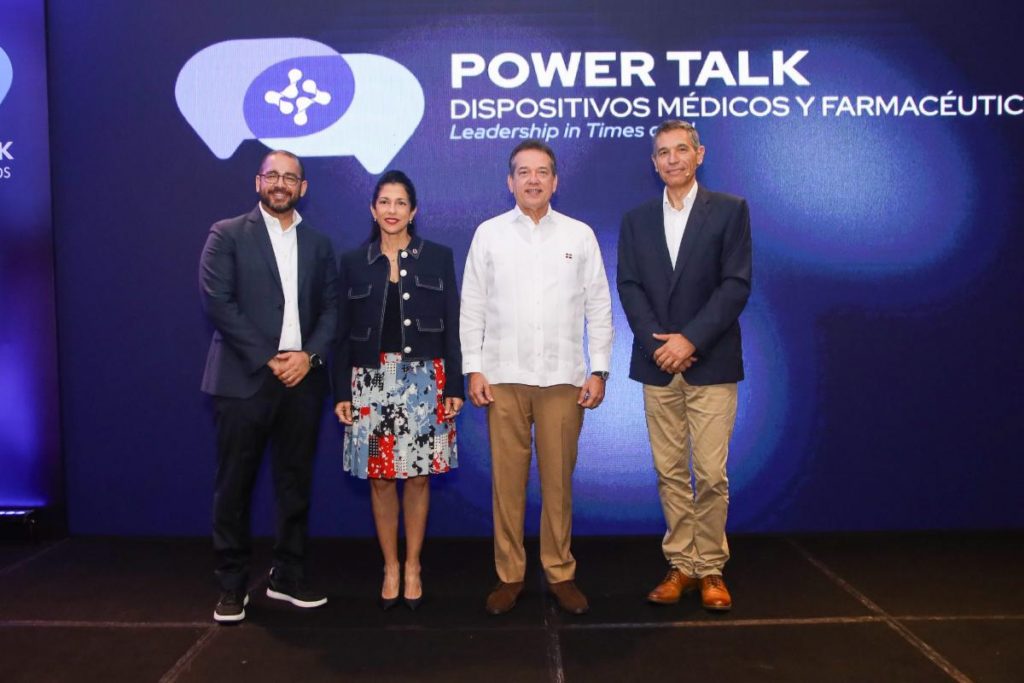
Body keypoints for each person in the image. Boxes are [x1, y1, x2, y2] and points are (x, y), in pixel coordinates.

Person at [461, 140, 613, 616]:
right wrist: (473, 366)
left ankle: (560, 572)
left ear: (555, 181)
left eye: (542, 172)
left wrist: (599, 368)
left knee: (558, 483)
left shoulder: (579, 235)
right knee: (506, 485)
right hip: (502, 376)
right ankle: (510, 575)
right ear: (510, 182)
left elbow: (599, 306)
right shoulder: (489, 234)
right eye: (523, 172)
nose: (533, 180)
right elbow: (472, 304)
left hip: (563, 379)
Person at [617, 120, 752, 612]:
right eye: (662, 152)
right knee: (670, 472)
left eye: (680, 150)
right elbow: (630, 286)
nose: (672, 159)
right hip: (658, 364)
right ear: (654, 163)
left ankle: (711, 566)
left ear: (700, 154)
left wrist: (690, 339)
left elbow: (735, 285)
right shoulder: (636, 220)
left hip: (711, 361)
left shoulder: (730, 211)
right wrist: (660, 345)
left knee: (711, 473)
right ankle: (681, 564)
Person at [199, 150, 337, 623]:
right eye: (272, 175)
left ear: (303, 187)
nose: (281, 183)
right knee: (234, 486)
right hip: (244, 379)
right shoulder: (227, 234)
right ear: (258, 182)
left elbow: (332, 308)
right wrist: (268, 357)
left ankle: (288, 575)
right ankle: (232, 584)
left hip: (303, 380)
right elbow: (218, 302)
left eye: (290, 177)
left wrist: (308, 356)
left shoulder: (319, 244)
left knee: (295, 484)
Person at [333, 170, 463, 611]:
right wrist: (341, 391)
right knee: (381, 478)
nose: (392, 210)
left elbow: (453, 326)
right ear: (373, 210)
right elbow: (340, 333)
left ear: (414, 210)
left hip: (424, 381)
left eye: (401, 202)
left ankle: (413, 565)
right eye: (384, 202)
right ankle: (390, 565)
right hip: (370, 382)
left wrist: (454, 384)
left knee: (419, 476)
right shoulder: (354, 262)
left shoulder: (438, 257)